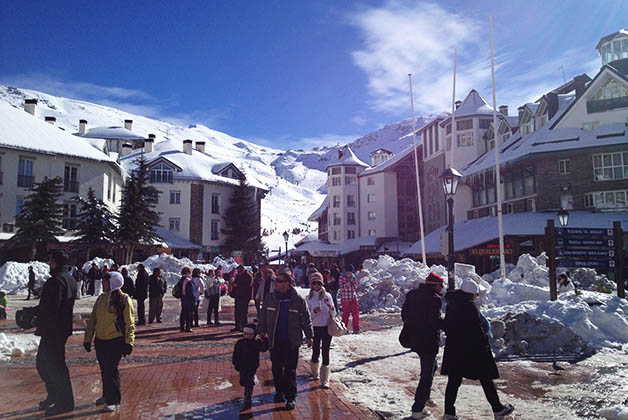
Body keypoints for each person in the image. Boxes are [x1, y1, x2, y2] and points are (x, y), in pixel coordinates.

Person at [441, 278, 514, 420]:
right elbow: (476, 331)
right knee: (486, 379)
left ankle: (449, 412)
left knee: (454, 381)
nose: (477, 296)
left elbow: (450, 326)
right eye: (476, 293)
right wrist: (485, 343)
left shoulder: (452, 304)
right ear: (471, 294)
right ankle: (498, 409)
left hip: (455, 349)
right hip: (473, 350)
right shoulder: (469, 306)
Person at [258, 271, 313, 410]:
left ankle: (291, 397)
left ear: (287, 283)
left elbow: (306, 319)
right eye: (276, 280)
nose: (276, 283)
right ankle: (279, 392)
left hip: (291, 341)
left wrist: (309, 336)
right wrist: (261, 330)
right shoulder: (270, 298)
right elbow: (263, 315)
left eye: (279, 281)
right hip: (275, 341)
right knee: (276, 369)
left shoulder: (298, 300)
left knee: (290, 371)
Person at [33, 250, 78, 416]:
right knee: (45, 364)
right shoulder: (70, 279)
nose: (48, 262)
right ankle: (54, 395)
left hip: (53, 329)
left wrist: (34, 314)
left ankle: (65, 402)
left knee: (54, 366)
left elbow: (51, 307)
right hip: (61, 329)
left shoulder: (56, 281)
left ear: (55, 261)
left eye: (50, 259)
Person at [83, 271, 135, 413]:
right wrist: (88, 339)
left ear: (113, 282)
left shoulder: (124, 300)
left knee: (111, 370)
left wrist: (129, 342)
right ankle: (106, 396)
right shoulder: (101, 298)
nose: (103, 283)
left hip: (115, 341)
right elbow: (93, 319)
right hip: (100, 340)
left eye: (106, 280)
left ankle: (114, 401)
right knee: (104, 369)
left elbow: (130, 323)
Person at [401, 273, 445, 419]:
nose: (442, 288)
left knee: (432, 367)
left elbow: (404, 314)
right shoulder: (434, 299)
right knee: (426, 375)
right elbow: (435, 321)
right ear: (434, 285)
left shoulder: (413, 295)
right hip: (428, 341)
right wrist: (448, 325)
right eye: (441, 285)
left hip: (414, 338)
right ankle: (417, 408)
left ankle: (424, 398)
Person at [305, 272, 335, 388]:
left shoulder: (327, 296)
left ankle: (325, 379)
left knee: (326, 351)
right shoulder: (309, 298)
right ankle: (314, 373)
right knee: (316, 350)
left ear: (322, 284)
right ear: (311, 284)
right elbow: (307, 316)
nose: (316, 285)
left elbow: (334, 314)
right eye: (314, 283)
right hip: (315, 327)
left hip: (327, 326)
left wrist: (331, 308)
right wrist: (315, 312)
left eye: (319, 283)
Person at [232, 323, 268, 402]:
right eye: (245, 334)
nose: (247, 336)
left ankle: (248, 395)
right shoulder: (240, 343)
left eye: (250, 334)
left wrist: (264, 340)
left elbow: (263, 348)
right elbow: (236, 354)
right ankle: (246, 391)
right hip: (242, 365)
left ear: (253, 335)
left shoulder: (256, 343)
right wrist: (235, 363)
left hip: (252, 365)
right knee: (243, 380)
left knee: (249, 380)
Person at [231, 265, 253, 332]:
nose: (239, 272)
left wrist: (238, 285)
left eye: (240, 271)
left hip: (244, 296)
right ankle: (237, 326)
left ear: (243, 270)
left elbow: (247, 286)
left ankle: (244, 326)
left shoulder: (248, 276)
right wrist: (234, 284)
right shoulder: (238, 275)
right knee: (237, 312)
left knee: (243, 312)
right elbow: (235, 282)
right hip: (238, 296)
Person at [339, 264, 360, 334]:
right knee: (346, 314)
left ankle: (356, 328)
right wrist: (348, 283)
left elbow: (355, 287)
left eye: (351, 272)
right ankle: (344, 328)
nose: (349, 273)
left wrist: (354, 283)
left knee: (356, 313)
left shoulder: (353, 276)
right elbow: (342, 287)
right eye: (348, 271)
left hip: (353, 297)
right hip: (345, 297)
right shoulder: (342, 277)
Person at [179, 267, 196, 332]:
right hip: (189, 299)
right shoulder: (188, 280)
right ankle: (188, 327)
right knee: (189, 314)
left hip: (183, 298)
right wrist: (194, 300)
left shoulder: (181, 280)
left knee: (183, 312)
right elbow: (191, 291)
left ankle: (182, 326)